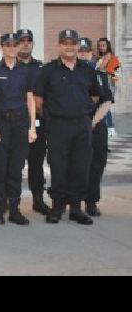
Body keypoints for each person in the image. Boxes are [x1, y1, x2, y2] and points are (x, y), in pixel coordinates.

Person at [34, 29, 112, 225]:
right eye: (65, 43)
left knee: (81, 167)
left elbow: (96, 96)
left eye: (73, 43)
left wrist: (83, 111)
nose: (69, 47)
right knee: (58, 167)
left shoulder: (88, 70)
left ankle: (76, 208)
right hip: (58, 126)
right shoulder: (48, 70)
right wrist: (52, 118)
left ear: (78, 46)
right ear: (59, 45)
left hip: (82, 125)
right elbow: (38, 100)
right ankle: (58, 206)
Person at [0, 33, 37, 225]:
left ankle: (15, 209)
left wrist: (32, 127)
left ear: (18, 47)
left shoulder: (26, 70)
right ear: (1, 47)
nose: (11, 48)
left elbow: (30, 98)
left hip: (20, 123)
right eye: (7, 45)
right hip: (0, 123)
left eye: (14, 45)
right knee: (0, 167)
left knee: (16, 168)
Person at [16, 28, 50, 216]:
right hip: (15, 122)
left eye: (29, 40)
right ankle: (10, 201)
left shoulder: (41, 68)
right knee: (14, 163)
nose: (25, 43)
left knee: (36, 163)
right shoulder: (11, 66)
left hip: (38, 123)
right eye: (22, 40)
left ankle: (38, 199)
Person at [78, 38, 113, 217]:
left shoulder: (99, 73)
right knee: (75, 165)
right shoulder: (69, 73)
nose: (83, 54)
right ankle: (74, 202)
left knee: (96, 164)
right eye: (80, 50)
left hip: (95, 126)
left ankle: (91, 202)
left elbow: (106, 101)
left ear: (91, 53)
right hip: (75, 126)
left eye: (86, 51)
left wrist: (91, 123)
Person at [96, 38, 120, 137]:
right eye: (100, 46)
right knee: (104, 106)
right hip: (106, 84)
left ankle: (110, 127)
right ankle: (109, 127)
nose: (101, 47)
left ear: (107, 46)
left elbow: (101, 68)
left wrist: (96, 67)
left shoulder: (108, 56)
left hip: (107, 85)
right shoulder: (104, 57)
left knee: (105, 106)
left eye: (103, 45)